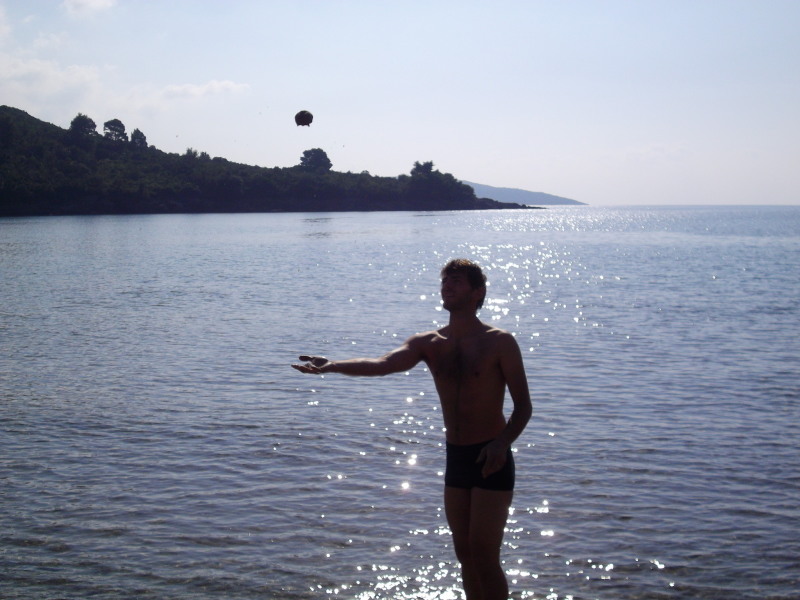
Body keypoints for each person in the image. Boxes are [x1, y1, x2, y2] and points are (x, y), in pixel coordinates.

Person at [292, 258, 532, 600]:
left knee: (484, 551)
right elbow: (383, 364)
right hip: (457, 456)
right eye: (445, 280)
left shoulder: (499, 342)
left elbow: (523, 407)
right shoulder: (429, 342)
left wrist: (502, 443)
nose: (447, 285)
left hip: (491, 455)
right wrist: (332, 366)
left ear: (478, 292)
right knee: (464, 551)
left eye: (457, 281)